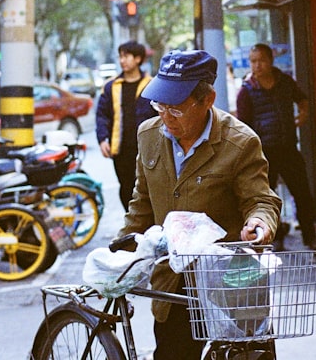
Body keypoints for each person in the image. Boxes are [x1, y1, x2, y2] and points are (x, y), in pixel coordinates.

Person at [117, 49, 281, 360]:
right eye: (160, 105)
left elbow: (260, 198)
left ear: (207, 100)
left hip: (230, 280)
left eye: (176, 109)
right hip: (174, 280)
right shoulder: (149, 135)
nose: (165, 117)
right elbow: (142, 202)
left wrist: (259, 223)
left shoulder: (240, 141)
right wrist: (119, 256)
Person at [235, 43, 316, 248]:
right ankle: (275, 238)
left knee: (302, 193)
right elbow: (242, 126)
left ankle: (310, 237)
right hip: (263, 154)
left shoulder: (284, 82)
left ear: (271, 60)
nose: (257, 65)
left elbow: (302, 99)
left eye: (261, 60)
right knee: (267, 198)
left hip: (288, 148)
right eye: (253, 61)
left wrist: (303, 115)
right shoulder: (246, 90)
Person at [95, 41, 157, 210]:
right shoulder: (111, 86)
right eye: (120, 56)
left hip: (146, 148)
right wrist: (102, 139)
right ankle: (132, 223)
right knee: (126, 187)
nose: (122, 60)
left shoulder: (152, 85)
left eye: (126, 56)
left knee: (148, 187)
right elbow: (102, 115)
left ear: (138, 59)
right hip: (121, 149)